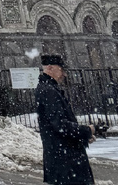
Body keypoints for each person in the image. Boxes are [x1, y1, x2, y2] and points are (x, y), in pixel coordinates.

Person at [35, 54, 95, 184]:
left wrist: (82, 135)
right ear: (50, 68)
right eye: (61, 69)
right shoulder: (49, 91)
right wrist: (86, 130)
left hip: (62, 159)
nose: (64, 74)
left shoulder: (48, 88)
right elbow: (60, 125)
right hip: (66, 161)